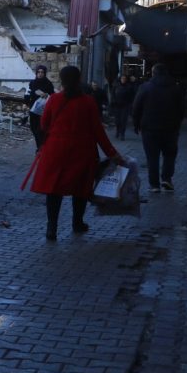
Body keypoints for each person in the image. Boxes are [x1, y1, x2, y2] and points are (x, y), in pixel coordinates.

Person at [29, 65, 123, 241]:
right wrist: (112, 153)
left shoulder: (54, 100)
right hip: (82, 150)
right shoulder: (88, 101)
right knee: (80, 189)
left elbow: (44, 125)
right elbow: (98, 131)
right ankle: (77, 222)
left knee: (54, 189)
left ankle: (52, 228)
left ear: (62, 80)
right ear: (79, 79)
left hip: (55, 150)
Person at [132, 64, 185, 192]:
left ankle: (154, 184)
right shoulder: (175, 88)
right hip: (170, 128)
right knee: (169, 154)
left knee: (152, 157)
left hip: (150, 128)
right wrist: (177, 124)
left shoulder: (145, 87)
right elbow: (182, 109)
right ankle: (167, 178)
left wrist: (136, 124)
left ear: (153, 72)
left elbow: (136, 107)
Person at [26, 66, 55, 151]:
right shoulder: (32, 83)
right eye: (38, 72)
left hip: (43, 110)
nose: (40, 74)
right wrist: (27, 103)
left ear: (44, 73)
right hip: (33, 109)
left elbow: (52, 96)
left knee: (41, 129)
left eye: (42, 72)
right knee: (34, 128)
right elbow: (27, 94)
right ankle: (40, 146)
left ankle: (41, 147)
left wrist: (46, 95)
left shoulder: (48, 84)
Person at [110, 74, 136, 140]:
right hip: (117, 105)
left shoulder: (129, 87)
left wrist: (130, 104)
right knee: (117, 120)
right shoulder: (116, 86)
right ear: (120, 79)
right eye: (122, 78)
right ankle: (117, 131)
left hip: (125, 106)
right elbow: (112, 95)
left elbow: (132, 96)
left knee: (123, 120)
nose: (123, 80)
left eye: (124, 78)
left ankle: (122, 134)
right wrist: (113, 102)